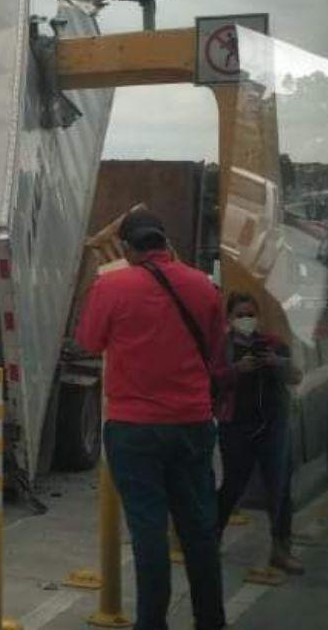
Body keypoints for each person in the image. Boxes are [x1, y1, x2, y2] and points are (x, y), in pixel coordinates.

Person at [76, 209, 227, 630]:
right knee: (198, 528)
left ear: (127, 247)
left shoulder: (112, 286)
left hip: (133, 427)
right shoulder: (204, 286)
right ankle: (211, 620)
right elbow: (216, 351)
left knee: (148, 533)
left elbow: (89, 341)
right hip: (193, 424)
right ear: (165, 240)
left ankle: (152, 623)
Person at [214, 291, 305, 574]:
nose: (246, 320)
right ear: (229, 318)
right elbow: (210, 381)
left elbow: (296, 376)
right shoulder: (223, 348)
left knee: (279, 487)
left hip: (273, 425)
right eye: (240, 315)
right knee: (233, 485)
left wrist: (277, 363)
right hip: (237, 426)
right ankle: (211, 540)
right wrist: (236, 370)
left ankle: (281, 548)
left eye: (250, 314)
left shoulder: (273, 344)